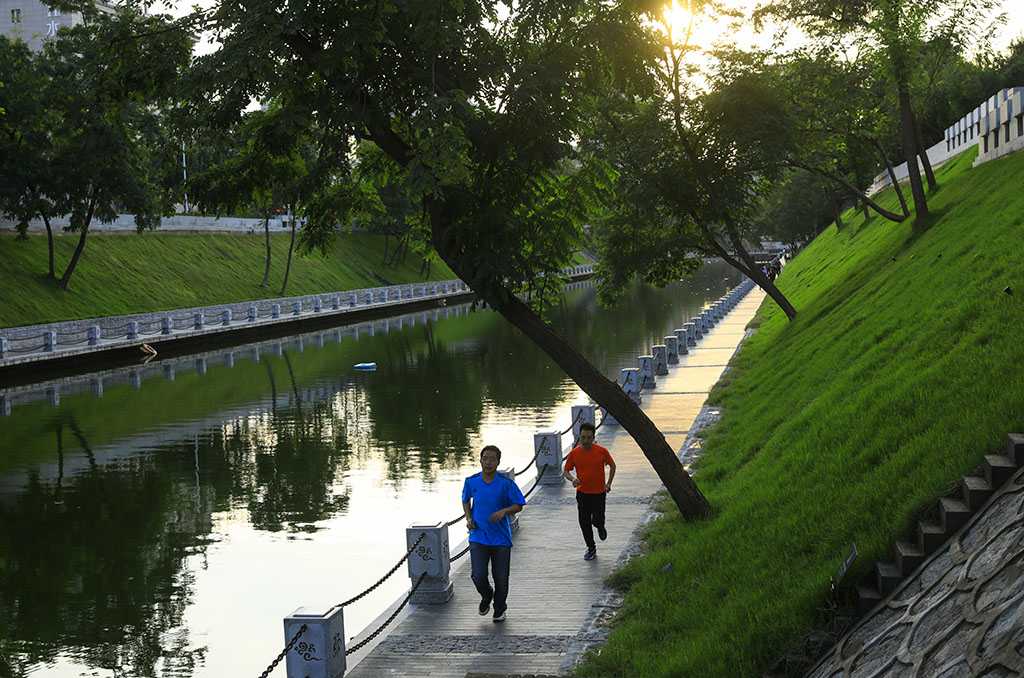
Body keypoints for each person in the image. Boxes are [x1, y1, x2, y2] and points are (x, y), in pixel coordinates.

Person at [461, 445, 525, 622]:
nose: (488, 462)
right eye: (485, 458)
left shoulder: (506, 484)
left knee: (501, 577)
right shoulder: (471, 481)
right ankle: (487, 594)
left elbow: (519, 504)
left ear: (498, 462)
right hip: (478, 536)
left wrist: (504, 511)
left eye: (492, 459)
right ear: (480, 460)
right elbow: (465, 500)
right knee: (478, 574)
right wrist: (468, 518)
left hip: (501, 539)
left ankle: (499, 609)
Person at [562, 421, 616, 561]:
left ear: (593, 437)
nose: (585, 441)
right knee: (584, 522)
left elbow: (612, 465)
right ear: (579, 436)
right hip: (582, 493)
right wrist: (573, 479)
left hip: (599, 493)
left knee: (597, 520)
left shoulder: (601, 451)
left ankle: (600, 526)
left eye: (588, 437)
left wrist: (608, 483)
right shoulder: (574, 454)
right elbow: (566, 471)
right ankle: (591, 547)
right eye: (583, 437)